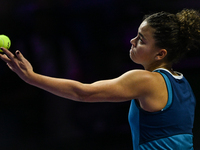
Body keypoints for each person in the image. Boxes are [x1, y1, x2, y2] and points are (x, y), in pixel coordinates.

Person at [0, 9, 200, 149]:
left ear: (160, 54)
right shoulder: (183, 84)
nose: (132, 41)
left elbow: (84, 93)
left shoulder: (146, 80)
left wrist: (31, 77)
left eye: (141, 39)